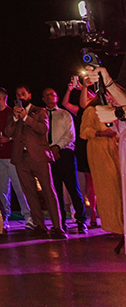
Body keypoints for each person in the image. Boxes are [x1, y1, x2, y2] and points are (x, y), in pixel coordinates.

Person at [6, 85, 65, 239]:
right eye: (18, 95)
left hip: (38, 156)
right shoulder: (13, 114)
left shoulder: (39, 111)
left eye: (23, 94)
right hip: (21, 158)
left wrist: (26, 118)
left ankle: (58, 226)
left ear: (29, 95)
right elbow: (7, 132)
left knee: (48, 190)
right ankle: (39, 224)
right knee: (30, 192)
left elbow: (43, 129)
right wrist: (15, 118)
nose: (20, 97)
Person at [80, 79, 123, 236]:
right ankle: (113, 226)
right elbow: (84, 132)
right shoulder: (92, 111)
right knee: (107, 188)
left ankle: (121, 223)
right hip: (98, 151)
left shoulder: (115, 111)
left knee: (118, 187)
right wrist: (100, 133)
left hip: (113, 150)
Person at [0, 87, 32, 230]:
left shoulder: (13, 112)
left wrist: (9, 138)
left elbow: (21, 132)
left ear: (1, 98)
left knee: (20, 188)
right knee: (1, 189)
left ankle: (28, 216)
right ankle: (3, 218)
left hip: (13, 158)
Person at [42, 87, 87, 233]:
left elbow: (70, 135)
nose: (50, 97)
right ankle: (60, 222)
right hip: (49, 156)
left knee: (73, 188)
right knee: (55, 191)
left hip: (65, 153)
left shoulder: (64, 114)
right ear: (43, 98)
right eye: (47, 95)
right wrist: (49, 150)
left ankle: (81, 220)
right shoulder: (41, 115)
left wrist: (57, 147)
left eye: (53, 94)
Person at [61, 77, 98, 227]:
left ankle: (96, 214)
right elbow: (65, 104)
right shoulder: (81, 111)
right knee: (89, 180)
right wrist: (70, 89)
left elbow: (88, 101)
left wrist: (85, 87)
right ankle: (92, 214)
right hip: (84, 144)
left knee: (95, 180)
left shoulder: (97, 106)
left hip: (98, 142)